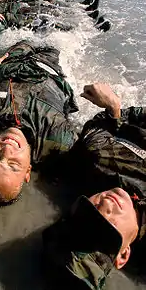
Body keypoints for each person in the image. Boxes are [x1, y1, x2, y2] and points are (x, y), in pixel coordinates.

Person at [42, 82, 146, 290]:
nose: (106, 206)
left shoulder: (97, 160)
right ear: (123, 254)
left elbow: (99, 129)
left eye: (88, 212)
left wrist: (113, 109)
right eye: (108, 229)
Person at [0, 40, 79, 203]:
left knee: (27, 39)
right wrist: (113, 112)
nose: (7, 149)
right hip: (48, 66)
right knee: (53, 44)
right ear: (28, 171)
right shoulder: (61, 141)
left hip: (12, 62)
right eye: (13, 165)